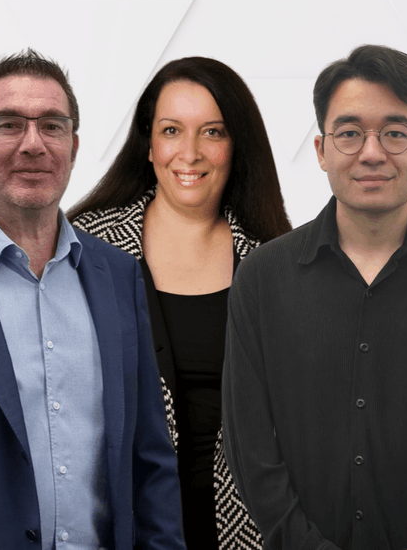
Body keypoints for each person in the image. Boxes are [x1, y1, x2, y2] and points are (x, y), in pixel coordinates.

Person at [221, 44, 407, 550]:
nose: (371, 152)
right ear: (321, 150)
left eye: (394, 132)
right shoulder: (261, 280)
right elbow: (250, 449)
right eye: (349, 133)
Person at [0, 49, 185, 549]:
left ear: (72, 144)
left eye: (52, 125)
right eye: (9, 124)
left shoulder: (118, 274)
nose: (33, 145)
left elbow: (149, 457)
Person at [69, 56, 291, 549]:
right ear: (149, 143)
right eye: (172, 130)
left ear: (237, 146)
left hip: (248, 533)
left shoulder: (278, 265)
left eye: (212, 132)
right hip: (120, 526)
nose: (189, 153)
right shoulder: (86, 251)